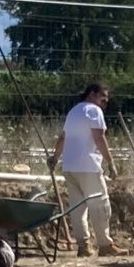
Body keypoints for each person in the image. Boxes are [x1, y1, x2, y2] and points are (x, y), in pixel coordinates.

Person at [54, 81, 118, 257]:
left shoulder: (73, 112)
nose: (105, 102)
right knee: (100, 205)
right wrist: (110, 162)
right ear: (92, 94)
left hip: (69, 166)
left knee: (77, 208)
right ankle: (104, 245)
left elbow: (63, 137)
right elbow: (99, 137)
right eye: (103, 98)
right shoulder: (93, 111)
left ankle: (83, 246)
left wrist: (55, 157)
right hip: (88, 166)